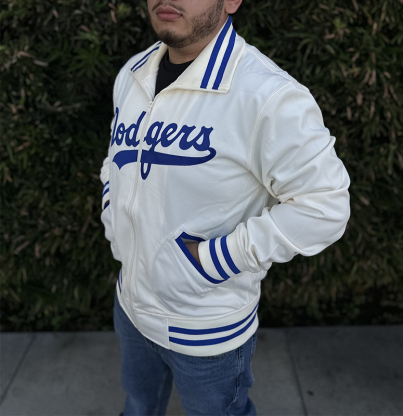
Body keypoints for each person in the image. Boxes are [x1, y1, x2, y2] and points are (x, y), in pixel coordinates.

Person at [100, 0, 351, 414]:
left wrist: (210, 261)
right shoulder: (133, 72)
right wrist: (113, 215)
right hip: (130, 304)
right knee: (139, 405)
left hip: (206, 330)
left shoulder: (268, 95)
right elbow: (116, 160)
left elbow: (325, 206)